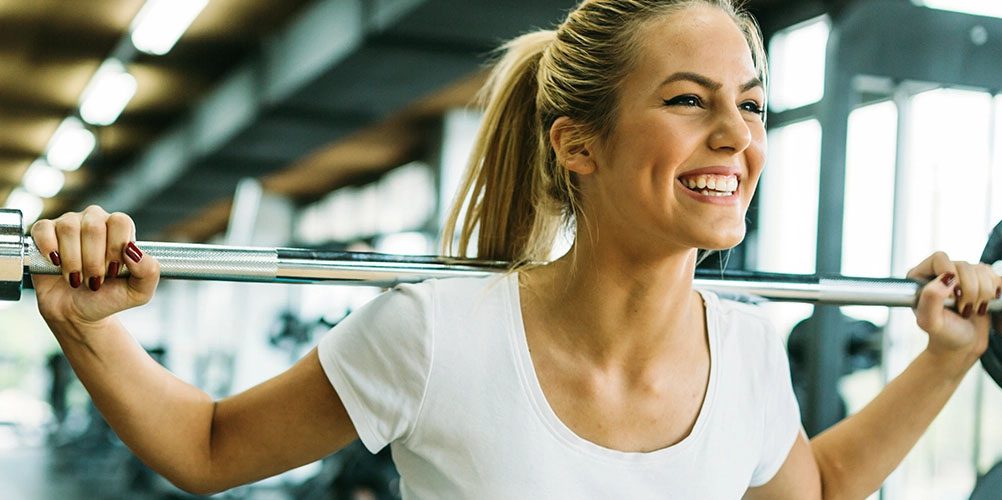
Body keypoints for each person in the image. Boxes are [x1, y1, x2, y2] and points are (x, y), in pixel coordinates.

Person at [28, 0, 1002, 498]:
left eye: (751, 103)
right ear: (578, 143)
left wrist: (948, 355)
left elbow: (820, 490)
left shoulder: (745, 352)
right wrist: (87, 328)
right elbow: (208, 446)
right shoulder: (434, 332)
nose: (738, 137)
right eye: (688, 98)